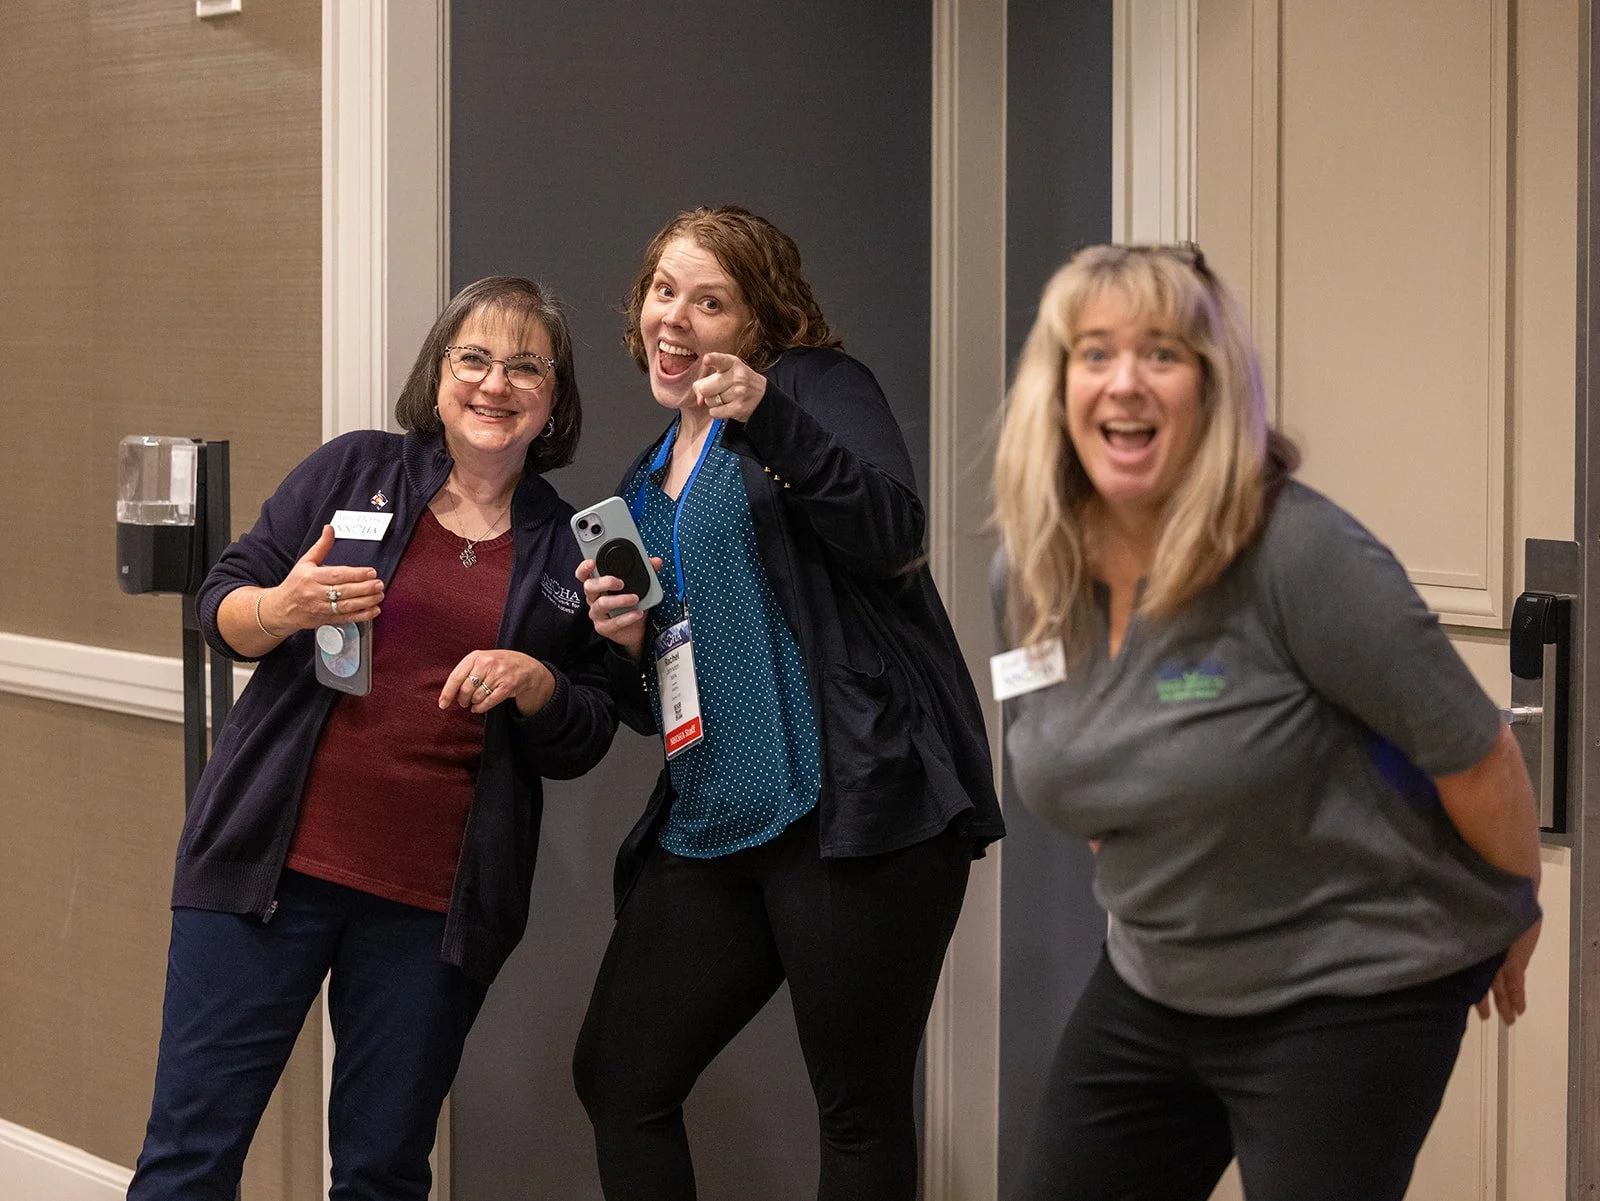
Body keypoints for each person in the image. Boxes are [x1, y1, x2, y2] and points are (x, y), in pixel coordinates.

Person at [989, 242, 1543, 1201]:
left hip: (1350, 986)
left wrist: (1514, 906)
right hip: (1157, 977)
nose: (1127, 381)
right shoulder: (1031, 573)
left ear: (1212, 390)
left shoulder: (1298, 553)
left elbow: (1478, 749)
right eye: (1096, 353)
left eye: (1163, 353)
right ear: (1058, 383)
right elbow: (1080, 763)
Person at [127, 276, 617, 1200]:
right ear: (437, 373)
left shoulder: (566, 544)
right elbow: (220, 608)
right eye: (473, 357)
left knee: (382, 1172)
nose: (495, 383)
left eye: (526, 366)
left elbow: (585, 731)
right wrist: (283, 606)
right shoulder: (355, 471)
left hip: (431, 910)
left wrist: (541, 682)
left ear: (555, 398)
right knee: (190, 1155)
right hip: (264, 872)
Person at [570, 205, 1005, 1201]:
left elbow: (893, 533)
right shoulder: (643, 480)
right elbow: (658, 698)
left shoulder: (811, 389)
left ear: (757, 322)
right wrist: (629, 646)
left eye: (710, 300)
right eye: (664, 291)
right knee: (619, 1076)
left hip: (850, 812)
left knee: (856, 1109)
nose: (676, 316)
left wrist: (766, 412)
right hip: (713, 821)